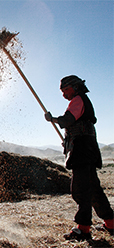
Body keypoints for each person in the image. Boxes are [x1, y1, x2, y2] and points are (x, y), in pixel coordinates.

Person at [45, 75, 114, 241]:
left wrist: (52, 119)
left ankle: (83, 229)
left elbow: (68, 120)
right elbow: (76, 126)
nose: (63, 95)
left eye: (65, 90)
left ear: (75, 87)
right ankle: (111, 223)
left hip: (82, 151)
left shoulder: (78, 99)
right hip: (87, 149)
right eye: (61, 92)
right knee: (94, 189)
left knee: (81, 189)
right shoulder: (82, 100)